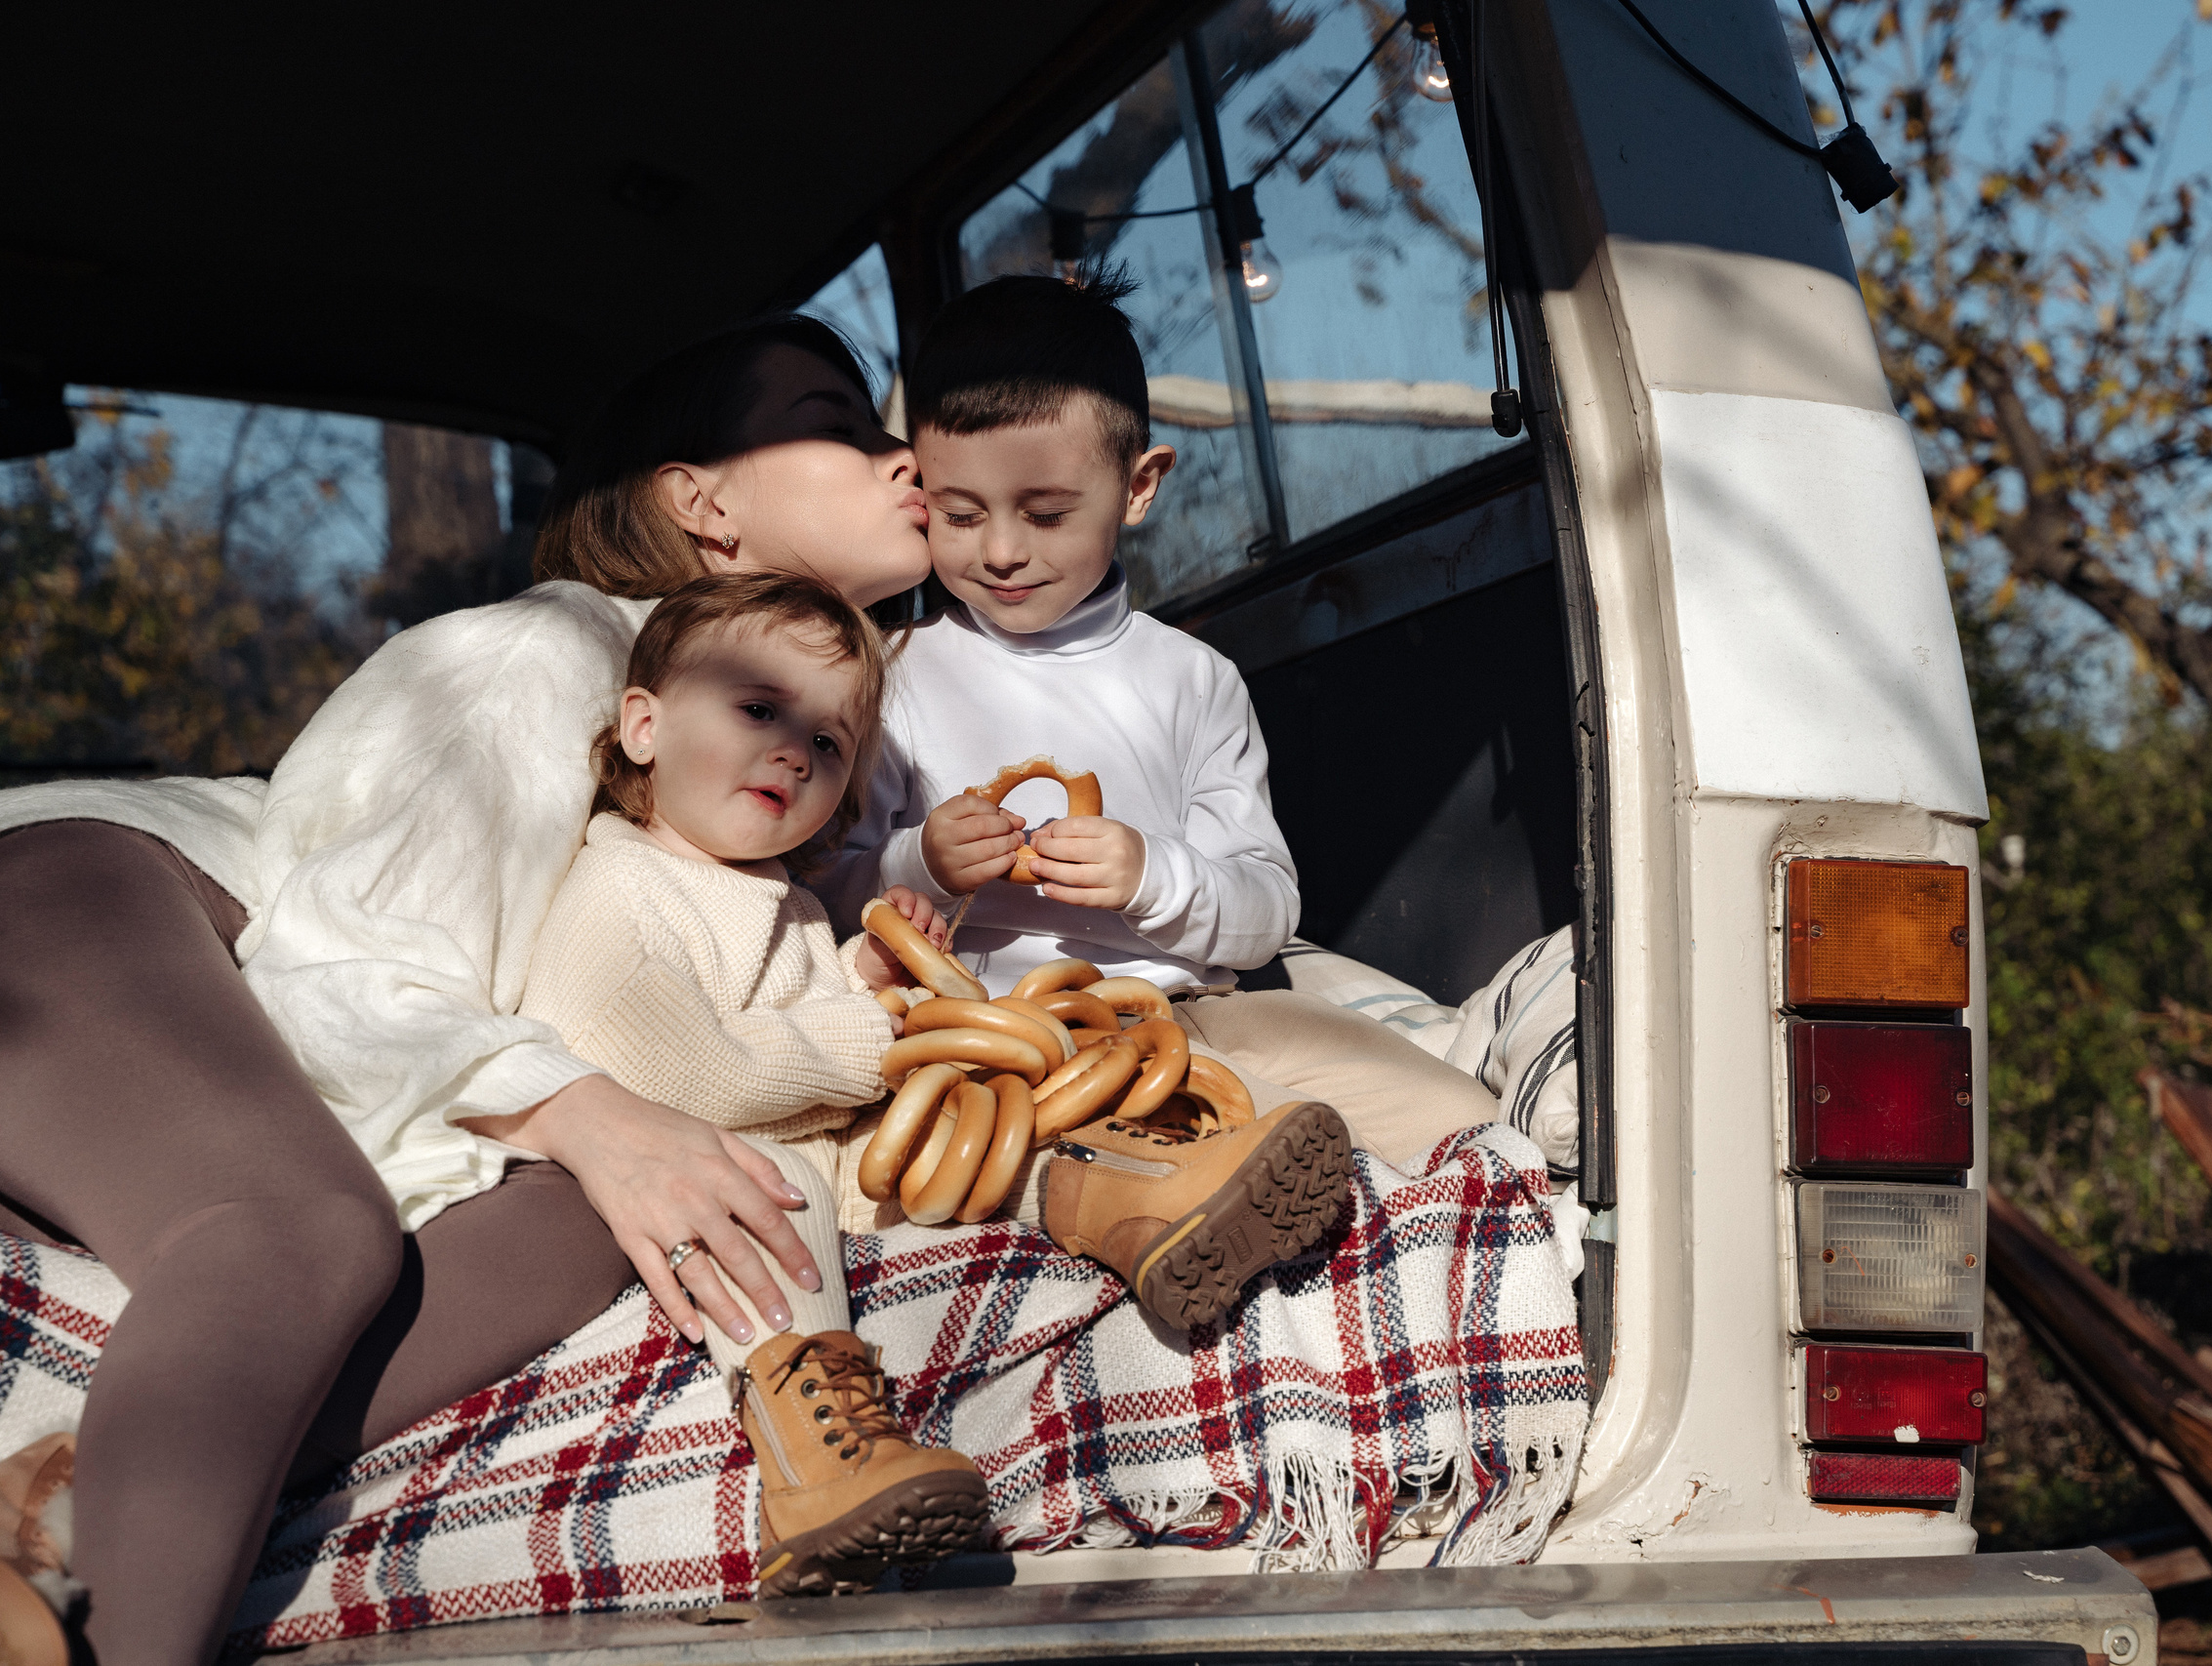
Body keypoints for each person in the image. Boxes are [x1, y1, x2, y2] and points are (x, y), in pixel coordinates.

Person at [0, 312, 930, 1666]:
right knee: (302, 1232)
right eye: (838, 426)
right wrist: (591, 1110)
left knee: (596, 1215)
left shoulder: (807, 785)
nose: (903, 456)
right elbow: (339, 949)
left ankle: (78, 1498)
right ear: (703, 503)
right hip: (89, 889)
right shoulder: (551, 649)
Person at [829, 273, 1500, 1327]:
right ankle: (1174, 1195)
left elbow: (1266, 905)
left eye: (1046, 513)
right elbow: (826, 892)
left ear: (1138, 486)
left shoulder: (1193, 681)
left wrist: (1153, 874)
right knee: (1247, 1143)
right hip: (1001, 1040)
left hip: (1194, 1012)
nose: (999, 550)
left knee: (1459, 1121)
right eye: (959, 515)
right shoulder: (895, 675)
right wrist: (920, 863)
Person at [516, 572, 985, 1598]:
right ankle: (816, 1459)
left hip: (814, 1144)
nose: (795, 752)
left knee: (963, 1127)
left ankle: (1114, 1192)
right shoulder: (620, 886)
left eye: (827, 742)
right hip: (665, 1169)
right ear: (643, 726)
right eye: (760, 710)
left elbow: (797, 1019)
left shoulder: (787, 899)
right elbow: (689, 1072)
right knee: (772, 1181)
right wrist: (873, 1031)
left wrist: (869, 974)